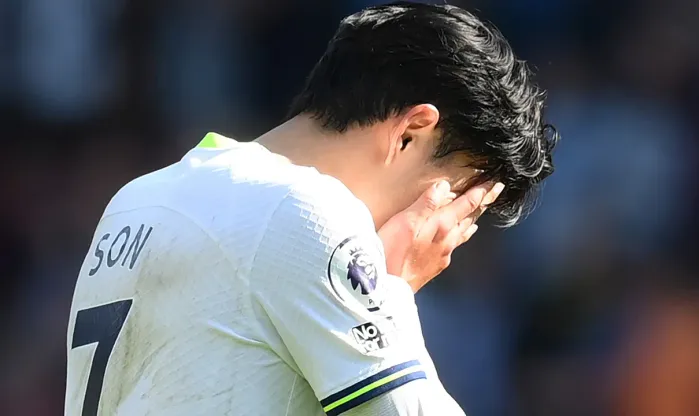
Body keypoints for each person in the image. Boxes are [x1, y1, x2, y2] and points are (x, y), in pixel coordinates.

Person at [64, 2, 557, 415]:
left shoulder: (139, 198)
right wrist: (391, 291)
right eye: (458, 199)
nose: (448, 236)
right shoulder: (304, 211)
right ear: (410, 133)